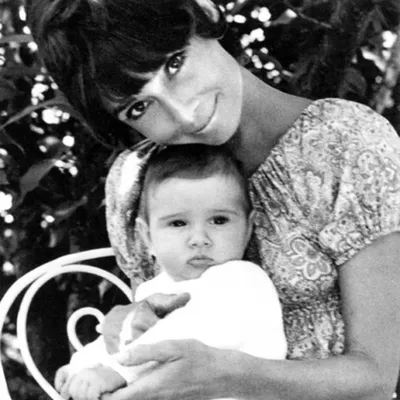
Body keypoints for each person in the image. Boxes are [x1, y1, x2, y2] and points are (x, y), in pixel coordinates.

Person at [27, 0, 400, 399]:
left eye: (174, 64)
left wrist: (236, 375)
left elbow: (378, 375)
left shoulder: (347, 146)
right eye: (139, 107)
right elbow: (163, 319)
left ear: (204, 13)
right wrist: (135, 321)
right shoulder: (136, 180)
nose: (184, 114)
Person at [54, 144, 287, 400]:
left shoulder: (243, 282)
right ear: (148, 237)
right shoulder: (153, 292)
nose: (200, 239)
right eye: (178, 223)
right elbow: (121, 340)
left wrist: (115, 371)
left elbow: (185, 331)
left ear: (247, 229)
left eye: (219, 220)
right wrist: (83, 364)